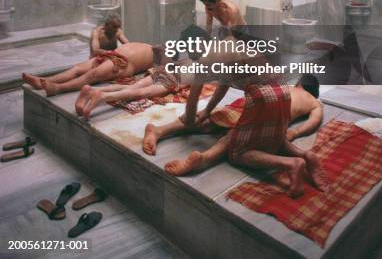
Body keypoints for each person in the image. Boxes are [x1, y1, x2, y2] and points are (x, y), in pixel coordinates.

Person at [143, 73, 328, 197]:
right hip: (273, 114)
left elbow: (223, 84)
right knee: (232, 136)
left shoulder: (287, 86)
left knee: (211, 124)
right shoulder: (314, 102)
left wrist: (207, 109)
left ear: (299, 84)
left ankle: (162, 133)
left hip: (253, 104)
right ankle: (202, 158)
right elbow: (314, 121)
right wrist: (295, 132)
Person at [75, 25, 212, 118]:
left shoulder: (189, 55)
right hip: (174, 78)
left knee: (134, 86)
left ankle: (91, 90)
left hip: (167, 70)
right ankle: (102, 96)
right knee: (140, 92)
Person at [22, 41, 155, 97]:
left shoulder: (162, 59)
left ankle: (57, 88)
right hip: (112, 54)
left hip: (122, 63)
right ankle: (43, 80)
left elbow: (158, 73)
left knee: (92, 74)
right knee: (77, 68)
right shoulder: (150, 45)